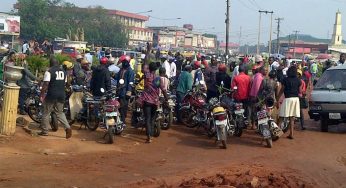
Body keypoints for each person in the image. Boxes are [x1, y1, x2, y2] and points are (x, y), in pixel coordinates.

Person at [38, 58, 72, 138]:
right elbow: (66, 83)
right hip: (61, 95)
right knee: (60, 113)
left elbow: (46, 84)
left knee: (46, 112)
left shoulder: (49, 71)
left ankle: (44, 131)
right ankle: (67, 127)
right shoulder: (63, 72)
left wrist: (42, 94)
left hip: (51, 95)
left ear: (50, 63)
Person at [139, 63, 168, 143]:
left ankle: (148, 136)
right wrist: (166, 99)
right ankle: (151, 135)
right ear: (156, 70)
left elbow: (144, 69)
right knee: (152, 119)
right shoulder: (158, 78)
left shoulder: (146, 75)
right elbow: (163, 90)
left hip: (146, 100)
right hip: (155, 101)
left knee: (147, 119)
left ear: (149, 68)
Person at [277, 66, 301, 139]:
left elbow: (281, 90)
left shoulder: (285, 79)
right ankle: (291, 134)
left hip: (288, 99)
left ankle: (276, 133)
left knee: (281, 116)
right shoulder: (298, 80)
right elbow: (299, 91)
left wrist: (277, 98)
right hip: (295, 99)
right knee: (292, 118)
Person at [115, 55, 135, 123]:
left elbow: (131, 82)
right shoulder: (121, 70)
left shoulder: (130, 71)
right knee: (118, 106)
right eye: (122, 62)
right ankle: (118, 120)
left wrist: (129, 91)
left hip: (125, 92)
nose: (123, 63)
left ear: (127, 62)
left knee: (124, 108)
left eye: (124, 62)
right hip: (119, 91)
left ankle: (122, 121)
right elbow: (117, 77)